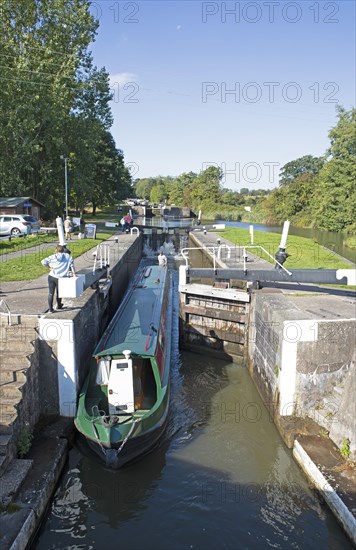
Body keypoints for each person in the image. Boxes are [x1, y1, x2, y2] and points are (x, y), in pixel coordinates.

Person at [41, 244, 76, 313]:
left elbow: (43, 262)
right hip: (61, 278)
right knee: (59, 293)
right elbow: (72, 266)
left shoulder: (53, 256)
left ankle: (50, 309)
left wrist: (49, 267)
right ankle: (59, 305)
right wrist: (74, 274)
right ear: (63, 250)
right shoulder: (68, 256)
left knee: (51, 293)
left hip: (52, 276)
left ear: (56, 250)